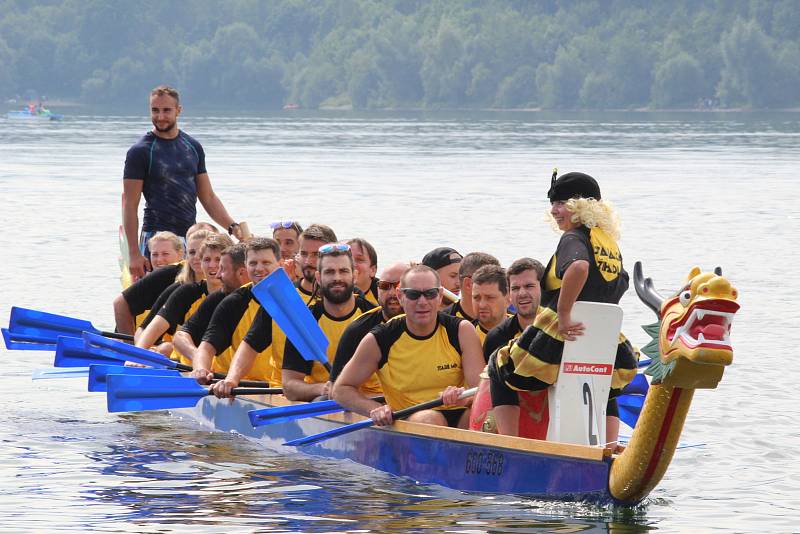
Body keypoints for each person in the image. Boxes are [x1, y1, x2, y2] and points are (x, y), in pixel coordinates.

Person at [488, 171, 637, 444]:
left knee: (499, 364)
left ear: (582, 206)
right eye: (553, 204)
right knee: (607, 388)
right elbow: (621, 282)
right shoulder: (607, 243)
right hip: (604, 346)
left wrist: (566, 313)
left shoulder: (573, 238)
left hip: (556, 343)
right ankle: (610, 444)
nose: (554, 211)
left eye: (560, 203)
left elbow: (579, 267)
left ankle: (509, 444)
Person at [332, 265, 484, 429]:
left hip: (458, 412)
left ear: (440, 296)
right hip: (410, 417)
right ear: (400, 296)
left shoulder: (461, 330)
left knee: (487, 418)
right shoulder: (381, 338)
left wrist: (465, 399)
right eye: (413, 295)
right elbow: (341, 389)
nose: (422, 302)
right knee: (430, 419)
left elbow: (481, 391)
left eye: (430, 294)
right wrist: (374, 409)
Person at [122, 85, 243, 281]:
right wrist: (134, 253)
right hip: (156, 238)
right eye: (155, 110)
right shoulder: (140, 151)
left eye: (166, 110)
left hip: (188, 237)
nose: (160, 116)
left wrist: (232, 226)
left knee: (188, 293)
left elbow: (208, 197)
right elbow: (129, 204)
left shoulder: (192, 147)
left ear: (178, 110)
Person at [280, 243, 376, 401]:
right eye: (330, 272)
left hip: (375, 400)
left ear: (354, 275)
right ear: (318, 277)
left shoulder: (374, 317)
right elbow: (289, 385)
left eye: (343, 271)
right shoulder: (305, 322)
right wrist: (322, 388)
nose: (337, 278)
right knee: (322, 400)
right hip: (329, 402)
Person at [469, 257, 545, 436]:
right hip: (515, 418)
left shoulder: (560, 327)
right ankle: (509, 444)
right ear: (509, 295)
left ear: (544, 289)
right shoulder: (497, 337)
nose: (522, 293)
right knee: (497, 365)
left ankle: (609, 446)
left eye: (529, 286)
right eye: (516, 288)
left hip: (552, 409)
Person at [191, 238, 282, 384]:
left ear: (280, 265)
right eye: (253, 263)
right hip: (248, 386)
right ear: (245, 266)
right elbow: (206, 348)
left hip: (287, 389)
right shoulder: (234, 302)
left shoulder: (295, 299)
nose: (258, 268)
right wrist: (200, 369)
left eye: (266, 263)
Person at [136, 233, 233, 361]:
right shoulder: (187, 291)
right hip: (189, 364)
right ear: (201, 261)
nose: (212, 265)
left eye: (218, 260)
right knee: (165, 348)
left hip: (223, 370)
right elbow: (154, 327)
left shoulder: (238, 296)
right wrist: (137, 356)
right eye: (207, 259)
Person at [329, 261, 408, 384]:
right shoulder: (357, 330)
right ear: (377, 289)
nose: (393, 293)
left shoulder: (435, 324)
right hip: (371, 399)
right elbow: (337, 389)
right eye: (385, 286)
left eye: (399, 286)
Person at [172, 242, 248, 366]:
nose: (218, 275)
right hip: (216, 375)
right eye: (207, 259)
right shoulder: (219, 298)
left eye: (222, 269)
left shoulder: (271, 301)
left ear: (241, 272)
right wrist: (200, 361)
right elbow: (180, 336)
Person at [442, 252, 500, 323]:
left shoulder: (513, 321)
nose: (499, 286)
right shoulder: (441, 323)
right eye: (490, 280)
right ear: (468, 284)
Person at [294, 224, 337, 304]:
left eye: (316, 254)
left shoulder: (349, 296)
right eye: (304, 253)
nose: (308, 261)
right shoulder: (285, 295)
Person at [471, 265, 511, 346]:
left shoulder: (525, 334)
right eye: (476, 298)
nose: (482, 305)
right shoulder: (461, 336)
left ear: (508, 299)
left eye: (490, 298)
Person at [347, 238, 380, 305]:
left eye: (359, 260)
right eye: (348, 259)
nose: (352, 264)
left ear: (373, 270)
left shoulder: (383, 292)